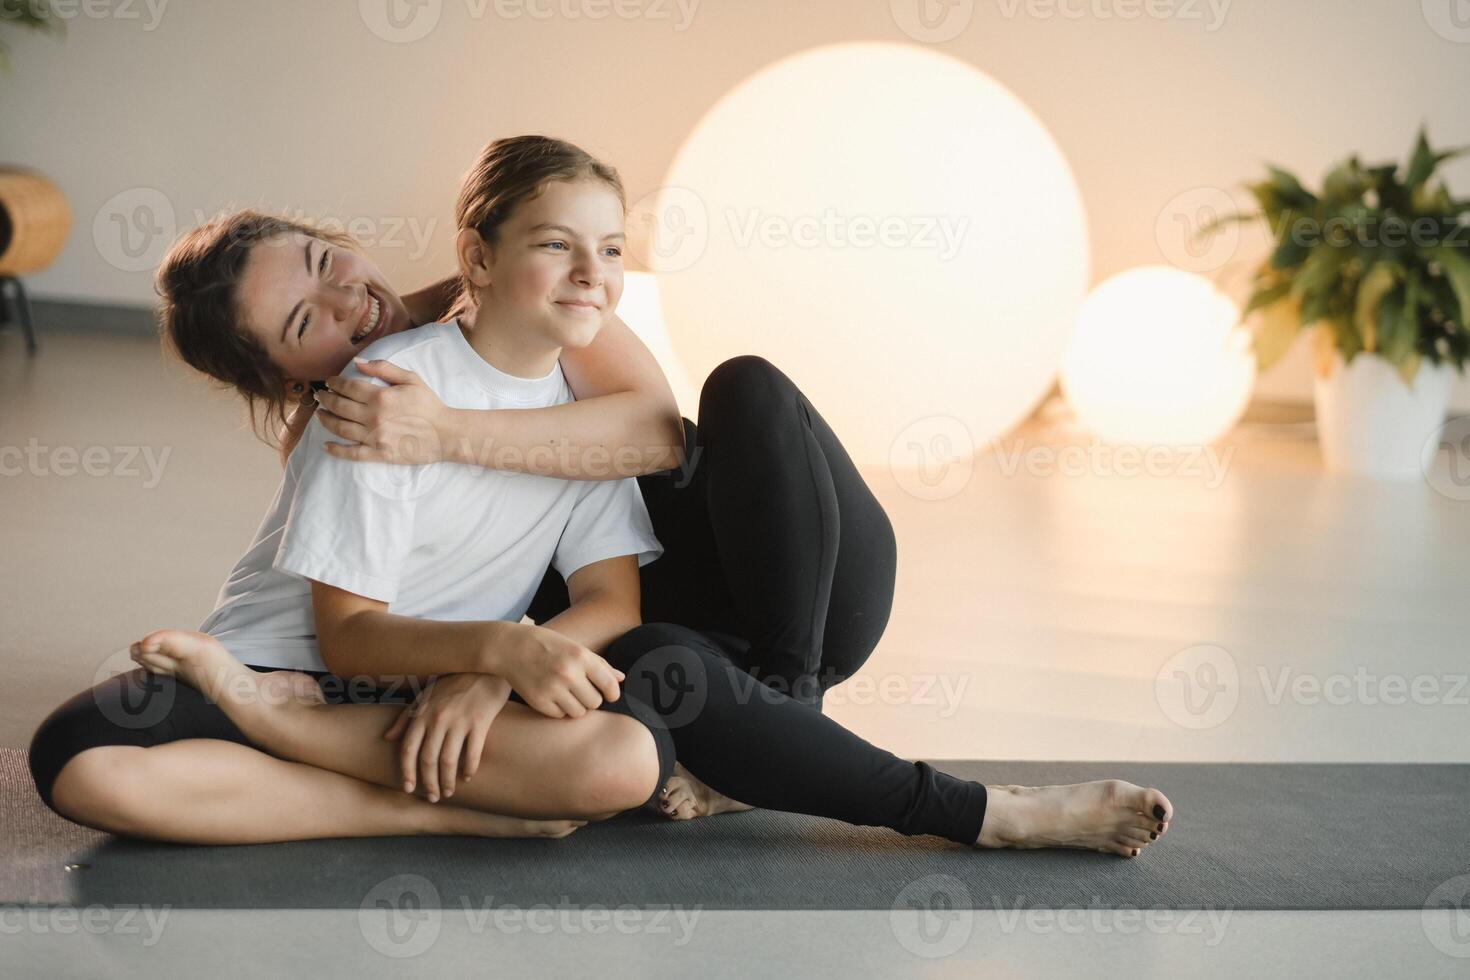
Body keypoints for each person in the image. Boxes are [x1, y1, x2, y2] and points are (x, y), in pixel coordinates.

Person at [29, 135, 1173, 855]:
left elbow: (648, 445)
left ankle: (791, 716)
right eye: (306, 322)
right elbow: (353, 625)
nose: (351, 303)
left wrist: (496, 637)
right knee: (82, 758)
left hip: (788, 597)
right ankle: (404, 793)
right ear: (287, 374)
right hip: (368, 667)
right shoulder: (364, 408)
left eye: (333, 263)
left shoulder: (543, 312)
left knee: (745, 400)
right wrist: (492, 655)